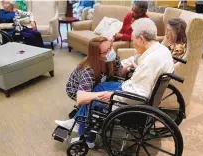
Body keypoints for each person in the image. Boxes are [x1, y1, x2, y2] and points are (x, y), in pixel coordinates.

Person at [55, 18, 174, 148]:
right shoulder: (161, 50)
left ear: (141, 39)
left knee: (97, 92)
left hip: (130, 97)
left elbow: (140, 94)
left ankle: (83, 131)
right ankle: (79, 120)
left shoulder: (149, 62)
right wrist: (127, 66)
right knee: (98, 90)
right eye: (106, 50)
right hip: (127, 90)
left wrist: (112, 94)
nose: (132, 41)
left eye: (133, 38)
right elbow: (81, 96)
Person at [55, 36, 123, 133]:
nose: (110, 52)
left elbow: (119, 72)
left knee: (101, 92)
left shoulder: (110, 58)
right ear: (97, 55)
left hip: (97, 83)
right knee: (93, 98)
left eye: (110, 48)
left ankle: (78, 116)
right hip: (75, 90)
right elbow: (81, 98)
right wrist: (106, 94)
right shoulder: (89, 70)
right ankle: (76, 121)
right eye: (105, 52)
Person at [121, 18, 187, 74]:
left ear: (176, 33)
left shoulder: (179, 48)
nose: (166, 33)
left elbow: (168, 67)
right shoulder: (172, 44)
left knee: (132, 61)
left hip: (155, 71)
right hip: (153, 67)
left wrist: (134, 64)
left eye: (168, 30)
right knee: (132, 59)